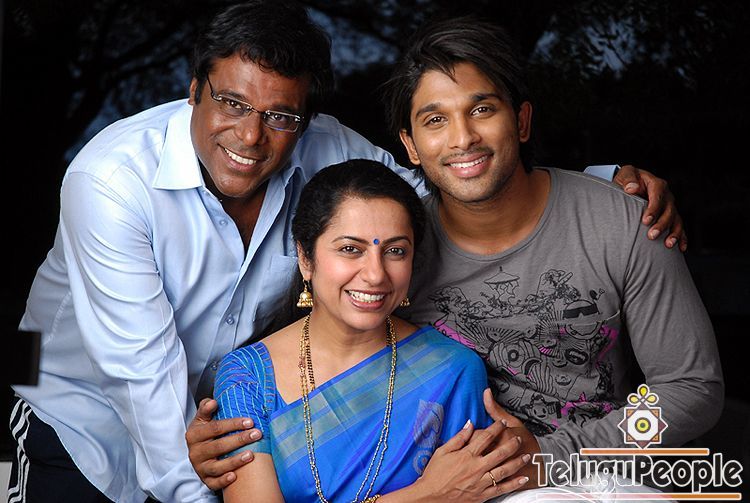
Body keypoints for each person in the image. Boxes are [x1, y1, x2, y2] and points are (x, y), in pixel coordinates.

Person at [7, 1, 684, 502]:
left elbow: (443, 185)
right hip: (72, 411)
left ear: (304, 116)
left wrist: (596, 191)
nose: (252, 135)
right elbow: (142, 375)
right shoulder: (110, 182)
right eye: (231, 103)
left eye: (281, 115)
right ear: (193, 92)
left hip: (222, 426)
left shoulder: (324, 147)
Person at [185, 10, 722, 500]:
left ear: (522, 121)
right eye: (435, 120)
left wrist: (554, 458)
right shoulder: (396, 245)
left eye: (482, 109)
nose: (463, 138)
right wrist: (216, 442)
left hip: (598, 478)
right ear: (410, 146)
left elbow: (692, 390)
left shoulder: (623, 222)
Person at [215, 159, 533, 502]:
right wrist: (427, 495)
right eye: (351, 249)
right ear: (305, 257)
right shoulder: (247, 376)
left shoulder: (451, 371)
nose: (376, 274)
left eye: (395, 251)